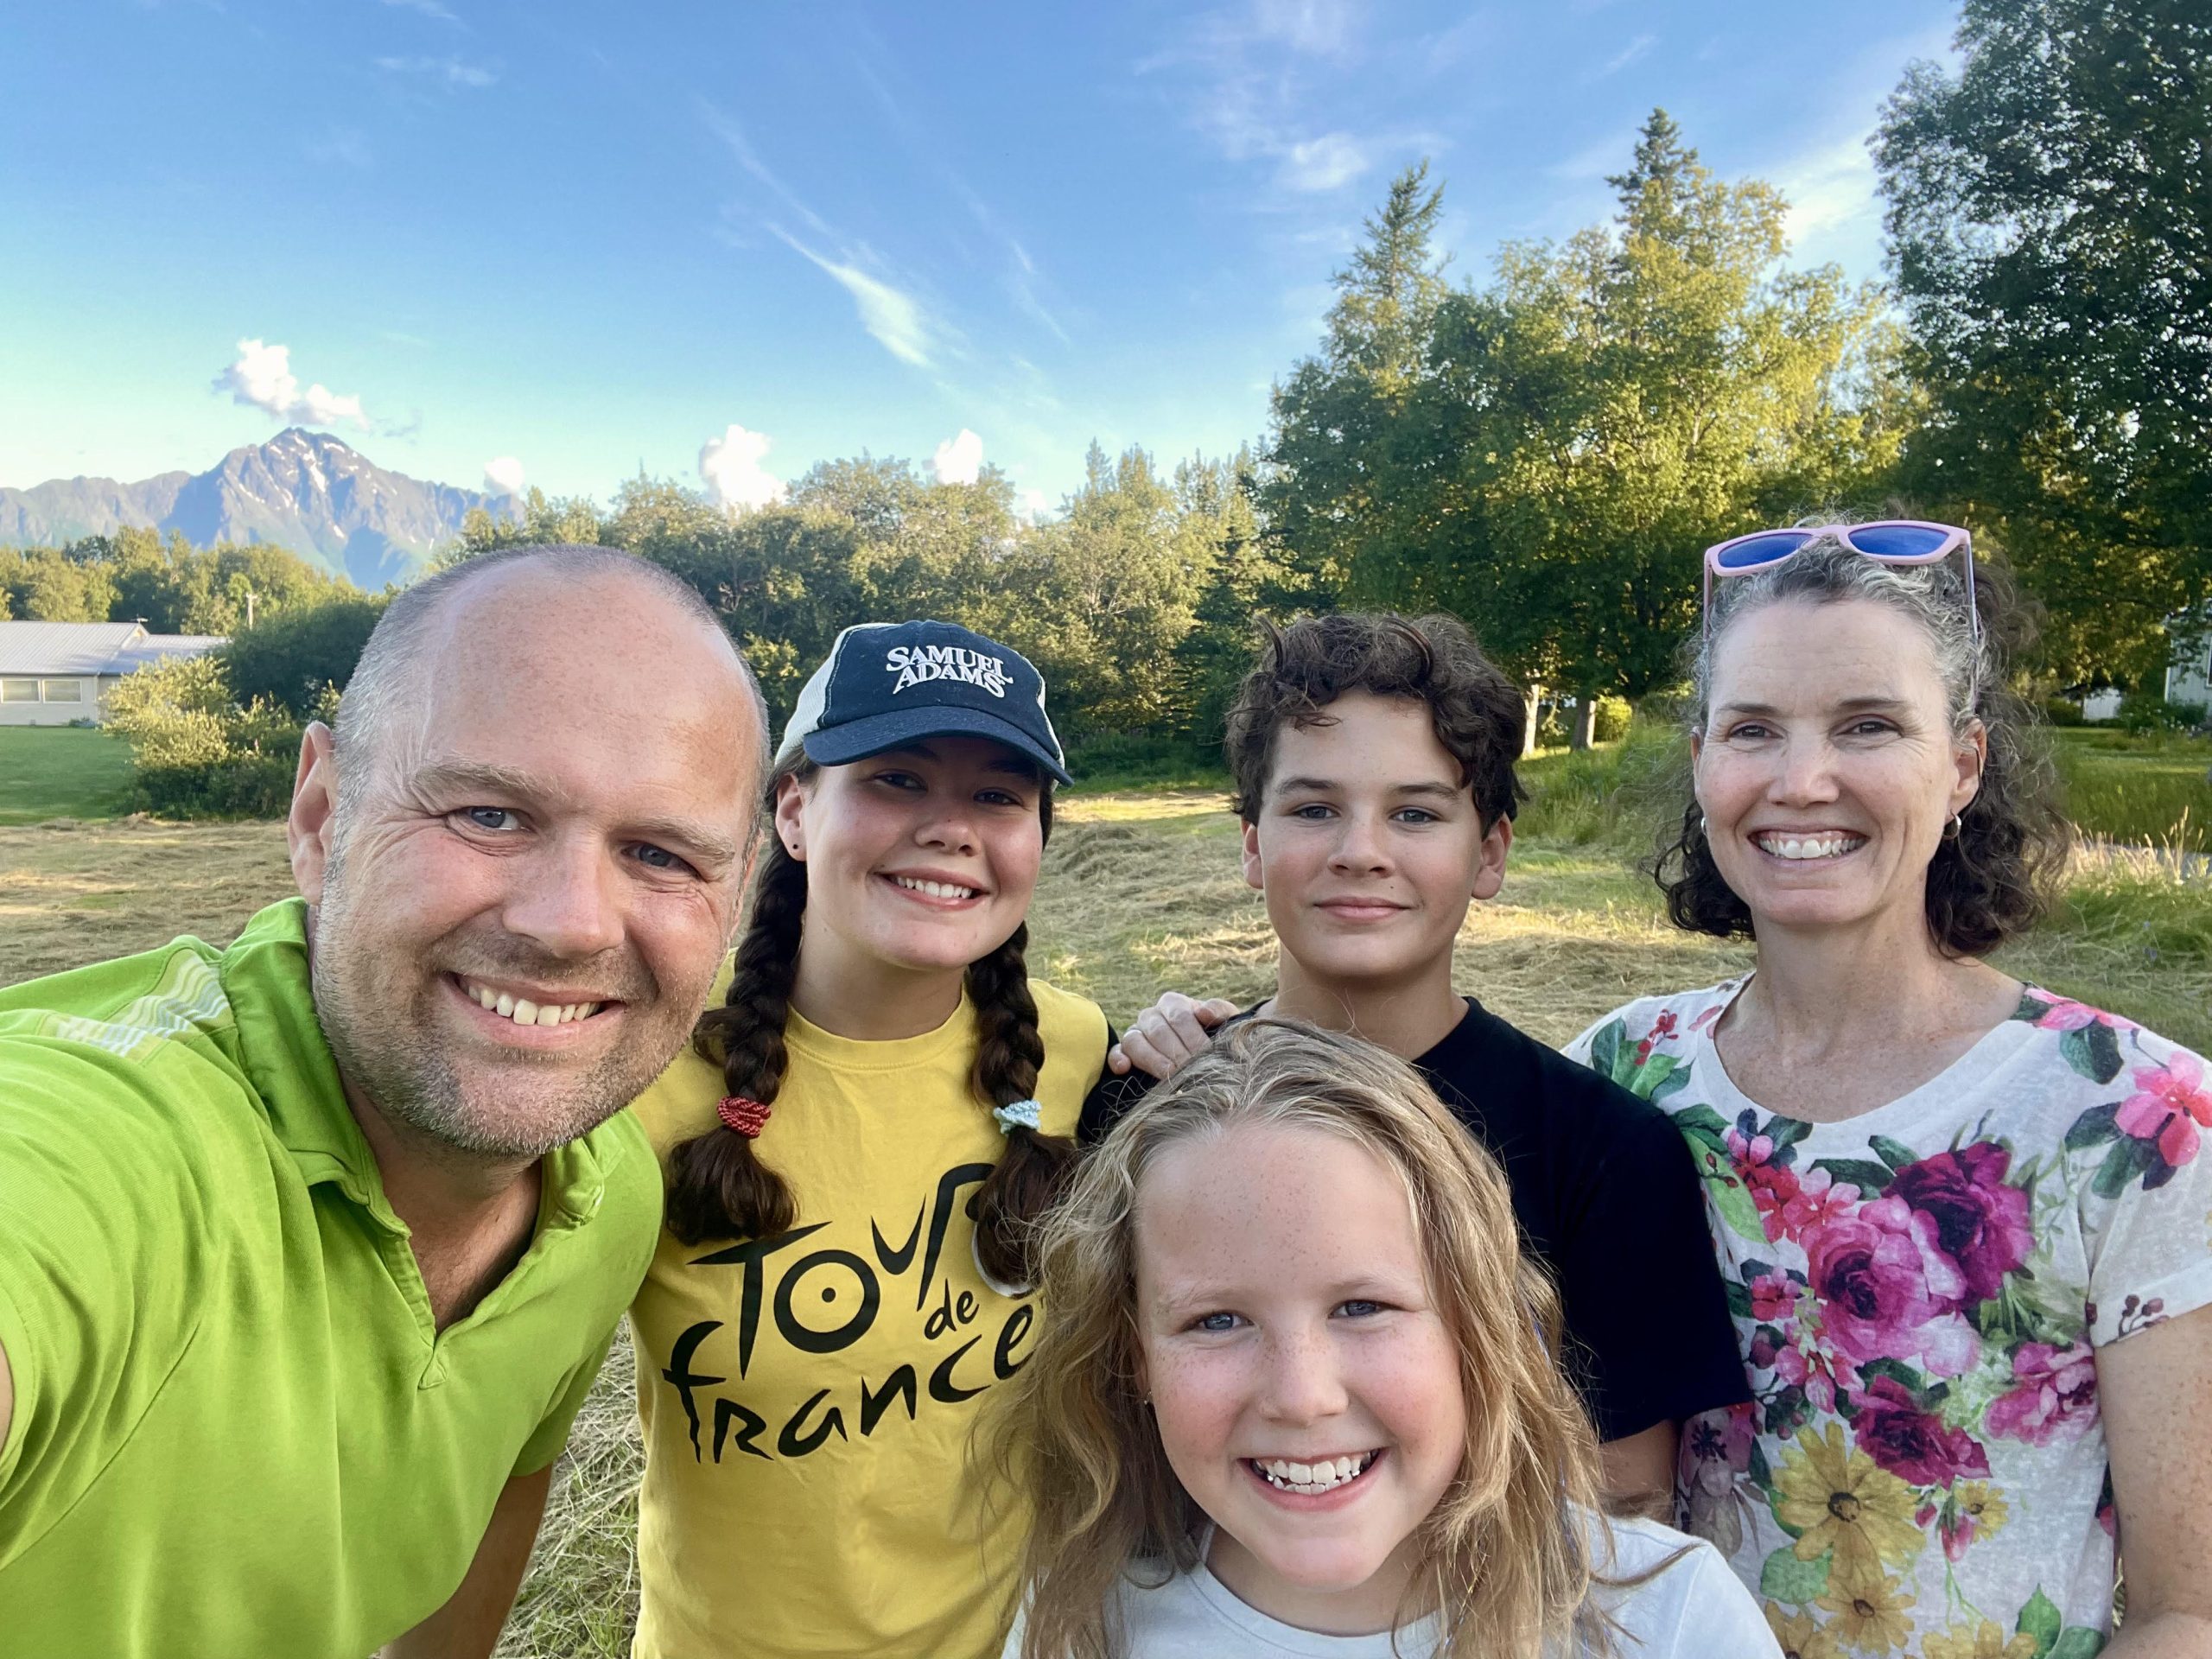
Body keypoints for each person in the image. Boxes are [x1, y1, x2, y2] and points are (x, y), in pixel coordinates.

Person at [0, 544, 766, 1657]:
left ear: (736, 893)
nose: (569, 923)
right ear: (322, 816)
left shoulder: (603, 1197)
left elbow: (507, 1478)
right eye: (488, 814)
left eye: (659, 854)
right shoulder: (114, 1148)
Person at [1565, 524, 2212, 1655]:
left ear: (1962, 763)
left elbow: (2185, 1613)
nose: (1800, 780)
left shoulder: (2137, 1118)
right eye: (1752, 729)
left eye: (1868, 725)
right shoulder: (1621, 1072)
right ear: (1703, 761)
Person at [1091, 612, 1746, 1512]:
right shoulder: (1146, 1106)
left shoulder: (1604, 1153)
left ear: (1489, 854)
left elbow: (1623, 1496)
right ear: (1251, 845)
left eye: (1415, 814)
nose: (1360, 853)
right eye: (1314, 809)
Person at [626, 619, 1114, 1659]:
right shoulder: (647, 1086)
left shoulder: (1075, 1055)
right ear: (793, 811)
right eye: (897, 780)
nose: (951, 829)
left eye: (999, 795)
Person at [992, 1017, 1777, 1658]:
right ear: (1136, 1357)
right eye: (1217, 1321)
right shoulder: (1084, 1624)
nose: (1302, 1397)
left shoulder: (1668, 1621)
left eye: (1362, 1307)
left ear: (1479, 1324)